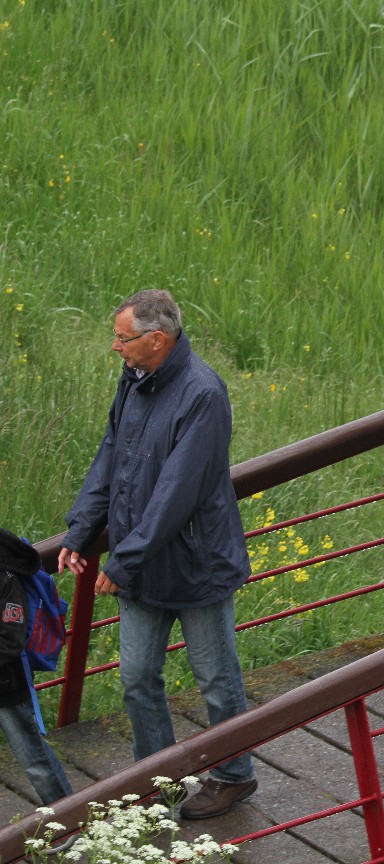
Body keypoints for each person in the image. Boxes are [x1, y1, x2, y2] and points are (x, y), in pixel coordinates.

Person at [57, 289, 257, 820]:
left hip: (195, 564)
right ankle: (157, 781)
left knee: (216, 678)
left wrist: (123, 561)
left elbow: (176, 493)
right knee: (137, 677)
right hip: (142, 565)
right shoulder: (135, 377)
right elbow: (110, 456)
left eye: (122, 338)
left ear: (157, 339)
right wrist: (80, 530)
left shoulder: (203, 393)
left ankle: (234, 775)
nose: (115, 347)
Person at [1, 528, 74, 806]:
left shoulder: (5, 575)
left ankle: (67, 817)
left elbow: (11, 638)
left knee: (34, 759)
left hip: (7, 684)